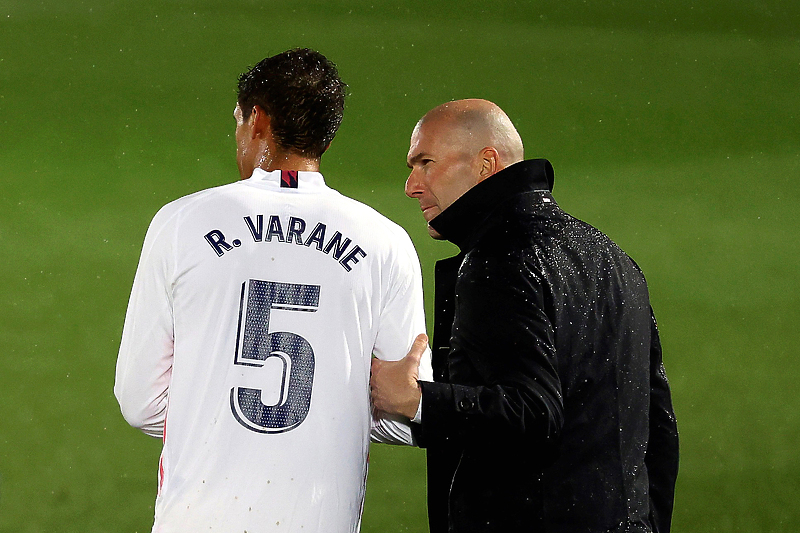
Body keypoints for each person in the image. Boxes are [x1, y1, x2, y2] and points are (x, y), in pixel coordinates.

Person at [114, 48, 432, 533]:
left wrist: (217, 408)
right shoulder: (384, 243)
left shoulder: (182, 223)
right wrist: (326, 407)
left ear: (258, 120)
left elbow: (139, 400)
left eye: (238, 122)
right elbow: (403, 412)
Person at [370, 99, 679, 533]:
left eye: (425, 163)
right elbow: (657, 428)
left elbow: (532, 413)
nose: (411, 186)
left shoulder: (499, 260)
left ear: (486, 164)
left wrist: (415, 400)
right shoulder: (613, 258)